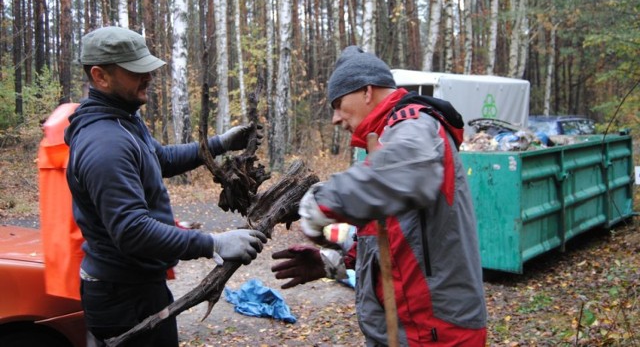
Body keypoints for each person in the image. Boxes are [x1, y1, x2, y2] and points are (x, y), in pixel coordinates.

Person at [65, 26, 267, 347]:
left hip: (134, 288)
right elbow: (132, 231)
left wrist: (218, 143)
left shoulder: (124, 120)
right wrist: (213, 243)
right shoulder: (106, 143)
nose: (148, 76)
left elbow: (160, 158)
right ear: (100, 76)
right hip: (124, 296)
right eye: (136, 71)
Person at [271, 46, 487, 346]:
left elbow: (410, 173)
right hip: (402, 331)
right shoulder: (385, 142)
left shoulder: (417, 124)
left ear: (367, 91)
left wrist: (322, 202)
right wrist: (332, 261)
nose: (335, 118)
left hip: (435, 333)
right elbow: (394, 236)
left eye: (338, 103)